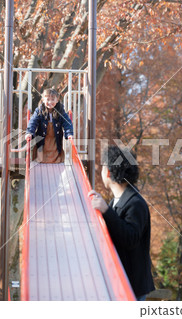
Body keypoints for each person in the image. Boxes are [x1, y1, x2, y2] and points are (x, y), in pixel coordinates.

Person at [88, 146, 155, 301]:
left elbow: (130, 238)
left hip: (131, 285)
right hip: (121, 280)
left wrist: (106, 211)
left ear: (109, 172)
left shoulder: (136, 203)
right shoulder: (117, 200)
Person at [25, 88, 73, 163]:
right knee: (42, 153)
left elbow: (67, 123)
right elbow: (33, 122)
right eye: (47, 99)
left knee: (56, 152)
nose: (50, 102)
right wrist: (29, 132)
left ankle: (56, 164)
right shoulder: (39, 110)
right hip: (43, 138)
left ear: (57, 100)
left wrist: (69, 133)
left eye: (53, 99)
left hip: (54, 138)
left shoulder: (60, 111)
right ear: (43, 100)